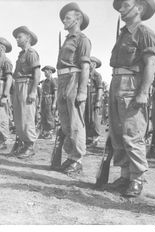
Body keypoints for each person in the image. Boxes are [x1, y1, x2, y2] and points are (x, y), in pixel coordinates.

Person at [109, 0, 155, 197]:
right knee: (118, 133)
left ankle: (137, 179)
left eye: (125, 4)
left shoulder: (144, 32)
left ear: (139, 8)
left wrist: (144, 92)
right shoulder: (123, 34)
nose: (121, 8)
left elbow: (150, 63)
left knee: (132, 132)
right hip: (116, 82)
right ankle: (125, 175)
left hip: (132, 84)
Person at [55, 2, 91, 175]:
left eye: (67, 17)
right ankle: (71, 156)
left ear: (78, 19)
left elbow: (85, 67)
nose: (64, 20)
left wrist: (82, 90)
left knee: (76, 121)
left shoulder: (82, 39)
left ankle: (77, 160)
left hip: (74, 79)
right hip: (62, 79)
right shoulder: (67, 39)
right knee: (65, 121)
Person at [10, 26, 41, 159]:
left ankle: (30, 145)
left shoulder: (31, 53)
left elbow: (37, 72)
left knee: (27, 117)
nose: (17, 39)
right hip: (18, 85)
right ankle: (24, 144)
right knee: (19, 117)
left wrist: (33, 92)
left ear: (28, 38)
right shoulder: (21, 54)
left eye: (19, 37)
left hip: (26, 85)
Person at [85, 56, 103, 146]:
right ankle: (88, 138)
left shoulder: (97, 75)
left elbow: (100, 89)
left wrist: (98, 101)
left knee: (94, 119)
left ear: (94, 64)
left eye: (90, 63)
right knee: (87, 118)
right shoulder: (85, 74)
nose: (89, 64)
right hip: (86, 98)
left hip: (93, 97)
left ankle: (96, 138)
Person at [39, 65, 57, 139]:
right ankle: (45, 132)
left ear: (50, 72)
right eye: (44, 72)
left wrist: (54, 103)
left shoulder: (53, 81)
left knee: (49, 116)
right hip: (44, 99)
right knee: (44, 115)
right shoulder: (45, 81)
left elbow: (56, 92)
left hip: (49, 100)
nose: (45, 73)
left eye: (46, 72)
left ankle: (50, 133)